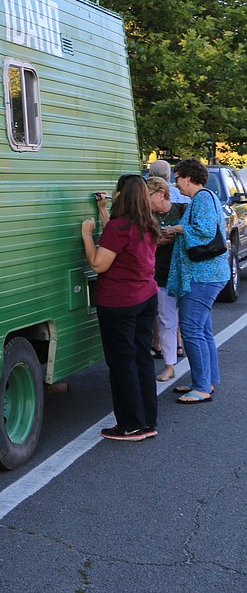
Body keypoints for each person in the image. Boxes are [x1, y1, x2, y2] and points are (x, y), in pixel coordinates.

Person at [81, 173, 160, 441]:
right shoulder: (147, 223)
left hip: (119, 303)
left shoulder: (120, 227)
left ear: (122, 195)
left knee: (122, 364)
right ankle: (148, 422)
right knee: (142, 359)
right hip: (146, 298)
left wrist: (87, 236)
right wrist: (104, 211)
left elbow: (98, 263)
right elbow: (118, 242)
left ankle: (130, 426)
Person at [164, 158, 229, 404]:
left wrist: (177, 230)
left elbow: (204, 230)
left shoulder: (201, 198)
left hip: (203, 275)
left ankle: (202, 387)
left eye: (178, 178)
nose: (176, 183)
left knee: (191, 328)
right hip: (208, 274)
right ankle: (206, 380)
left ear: (188, 178)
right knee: (202, 330)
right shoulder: (205, 197)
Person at [145, 175, 185, 381]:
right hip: (160, 274)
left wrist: (176, 234)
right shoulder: (147, 216)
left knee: (191, 323)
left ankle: (199, 370)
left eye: (148, 195)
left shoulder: (182, 209)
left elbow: (196, 233)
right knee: (166, 321)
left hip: (184, 274)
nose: (145, 200)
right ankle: (170, 365)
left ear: (161, 193)